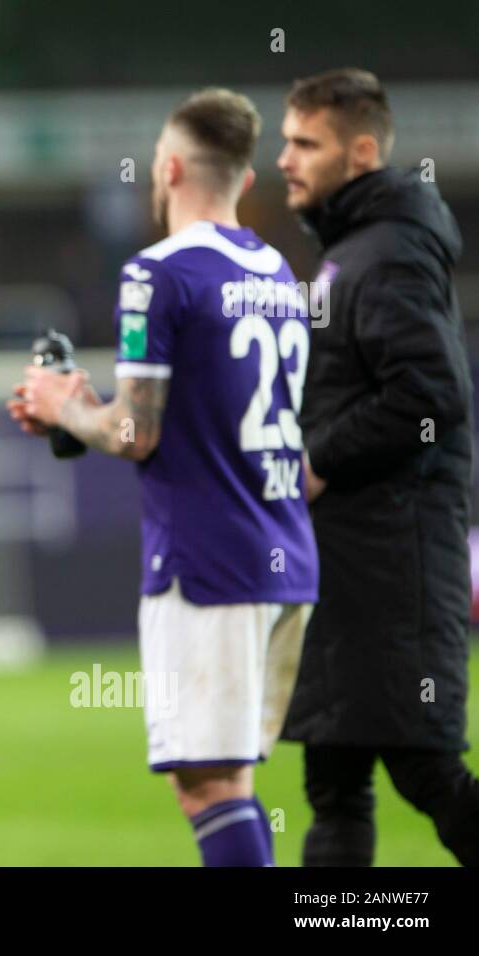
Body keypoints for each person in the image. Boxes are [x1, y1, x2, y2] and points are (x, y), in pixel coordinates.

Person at [10, 89, 318, 866]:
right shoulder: (278, 272)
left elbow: (134, 431)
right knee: (230, 781)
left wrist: (63, 403)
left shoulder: (157, 273)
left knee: (208, 788)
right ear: (245, 179)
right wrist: (82, 407)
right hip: (283, 555)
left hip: (207, 565)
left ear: (171, 167)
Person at [276, 68, 479, 867]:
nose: (284, 158)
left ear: (361, 152)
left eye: (304, 143)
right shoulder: (353, 250)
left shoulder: (388, 253)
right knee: (333, 776)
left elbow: (432, 394)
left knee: (426, 769)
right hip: (351, 556)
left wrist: (320, 457)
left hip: (394, 559)